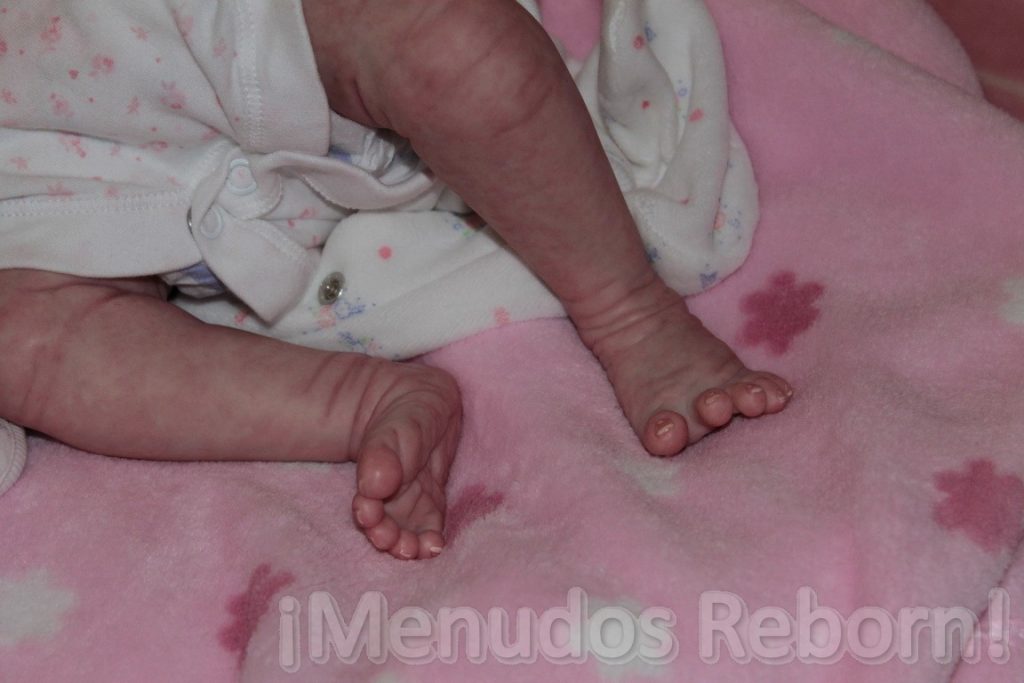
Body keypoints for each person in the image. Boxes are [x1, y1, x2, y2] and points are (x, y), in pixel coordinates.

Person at [0, 0, 792, 560]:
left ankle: (630, 309)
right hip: (68, 172)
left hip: (246, 23)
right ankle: (355, 401)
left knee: (454, 48)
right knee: (19, 341)